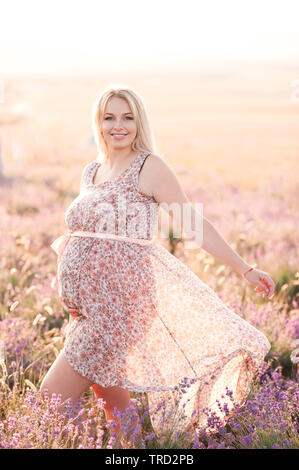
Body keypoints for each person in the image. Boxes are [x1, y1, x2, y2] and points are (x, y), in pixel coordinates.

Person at [40, 85, 275, 443]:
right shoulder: (92, 171)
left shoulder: (149, 166)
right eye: (109, 117)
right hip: (88, 310)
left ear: (139, 122)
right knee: (112, 402)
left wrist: (244, 268)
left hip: (120, 309)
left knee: (50, 397)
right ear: (98, 123)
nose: (118, 126)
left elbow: (195, 226)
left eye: (127, 117)